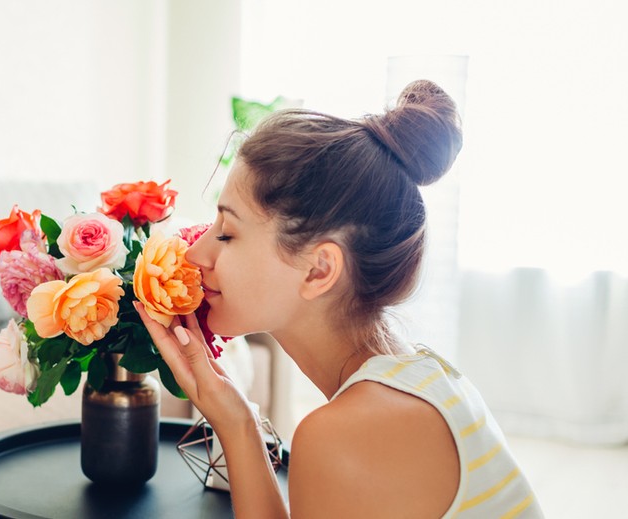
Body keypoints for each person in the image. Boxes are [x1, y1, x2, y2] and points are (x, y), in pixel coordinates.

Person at [134, 80, 542, 518]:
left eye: (228, 233)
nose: (197, 252)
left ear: (320, 269)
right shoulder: (425, 377)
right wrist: (237, 424)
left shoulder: (347, 437)